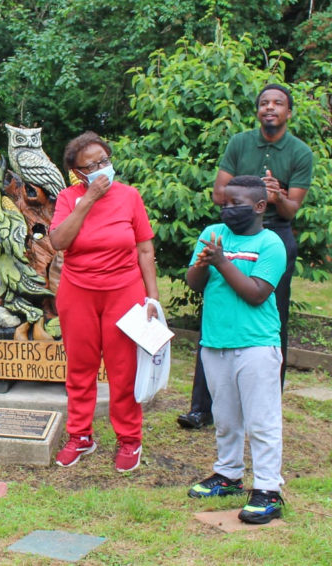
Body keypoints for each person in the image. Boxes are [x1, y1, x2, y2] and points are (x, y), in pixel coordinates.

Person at [178, 84, 313, 429]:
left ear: (288, 112)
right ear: (257, 110)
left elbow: (293, 208)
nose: (270, 108)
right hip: (234, 229)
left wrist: (276, 197)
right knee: (217, 309)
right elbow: (218, 193)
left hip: (273, 234)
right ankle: (201, 408)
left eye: (278, 103)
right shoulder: (239, 142)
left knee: (273, 317)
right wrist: (244, 198)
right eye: (264, 103)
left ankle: (267, 404)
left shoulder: (299, 152)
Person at [49, 131, 159, 473]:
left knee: (123, 369)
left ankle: (129, 439)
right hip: (78, 291)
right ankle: (80, 436)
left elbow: (144, 248)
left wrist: (152, 297)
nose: (101, 168)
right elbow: (58, 241)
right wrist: (88, 201)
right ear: (78, 173)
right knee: (80, 368)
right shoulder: (69, 198)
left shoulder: (129, 197)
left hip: (124, 291)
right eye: (91, 165)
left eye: (104, 161)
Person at [186, 175, 286, 524]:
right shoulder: (213, 234)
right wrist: (202, 264)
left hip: (257, 345)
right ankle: (228, 475)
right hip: (216, 343)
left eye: (236, 204)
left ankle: (268, 490)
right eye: (224, 204)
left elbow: (257, 293)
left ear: (259, 206)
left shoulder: (270, 243)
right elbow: (194, 283)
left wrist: (222, 262)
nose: (227, 210)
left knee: (262, 421)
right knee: (226, 418)